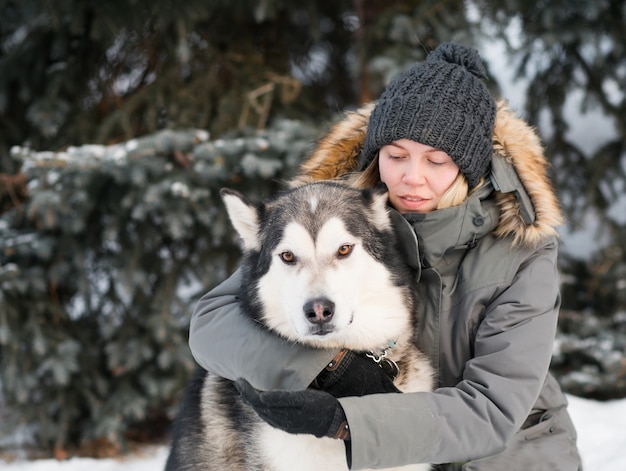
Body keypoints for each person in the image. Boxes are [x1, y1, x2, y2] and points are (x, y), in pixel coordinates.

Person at [188, 42, 582, 470]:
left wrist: (347, 421)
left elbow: (492, 411)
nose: (413, 178)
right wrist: (325, 366)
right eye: (396, 156)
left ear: (469, 166)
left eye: (436, 161)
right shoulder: (338, 211)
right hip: (387, 449)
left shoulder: (522, 250)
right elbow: (214, 322)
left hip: (504, 453)